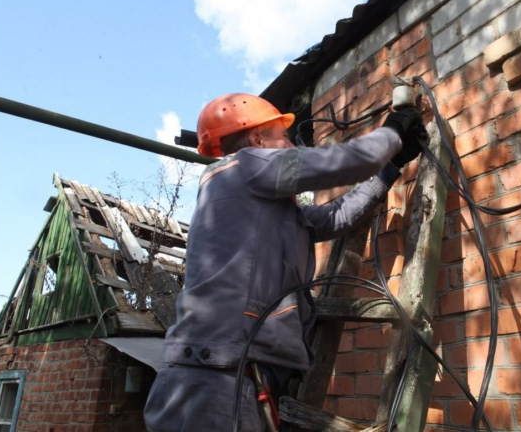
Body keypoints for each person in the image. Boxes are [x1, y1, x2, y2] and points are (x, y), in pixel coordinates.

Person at [144, 93, 427, 431]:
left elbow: (334, 218)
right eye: (284, 137)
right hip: (215, 381)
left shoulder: (258, 206)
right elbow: (344, 161)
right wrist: (394, 131)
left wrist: (389, 170)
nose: (292, 145)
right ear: (257, 140)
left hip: (227, 377)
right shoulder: (245, 165)